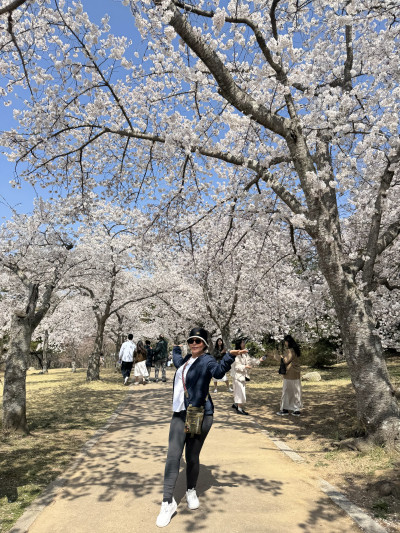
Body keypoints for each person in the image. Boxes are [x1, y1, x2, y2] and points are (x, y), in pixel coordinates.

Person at [156, 326, 247, 528]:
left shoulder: (207, 360)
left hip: (199, 415)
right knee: (173, 456)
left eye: (198, 341)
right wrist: (175, 348)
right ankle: (167, 502)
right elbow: (177, 360)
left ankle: (191, 490)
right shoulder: (186, 360)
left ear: (205, 344)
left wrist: (229, 357)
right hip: (179, 414)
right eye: (191, 341)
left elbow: (218, 372)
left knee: (191, 456)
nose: (194, 344)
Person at [269, 334, 302, 416]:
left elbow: (286, 361)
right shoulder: (296, 350)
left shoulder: (290, 350)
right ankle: (296, 409)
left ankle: (285, 409)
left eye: (285, 342)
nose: (285, 343)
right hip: (296, 374)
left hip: (290, 373)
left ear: (288, 342)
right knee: (296, 392)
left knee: (286, 391)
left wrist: (277, 357)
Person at [230, 338, 252, 415]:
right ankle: (239, 409)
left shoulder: (245, 353)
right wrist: (245, 366)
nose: (244, 344)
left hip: (242, 375)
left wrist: (258, 360)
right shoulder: (236, 354)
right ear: (239, 344)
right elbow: (237, 367)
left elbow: (249, 361)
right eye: (242, 343)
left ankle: (236, 404)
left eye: (244, 342)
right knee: (240, 392)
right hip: (237, 376)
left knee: (239, 391)